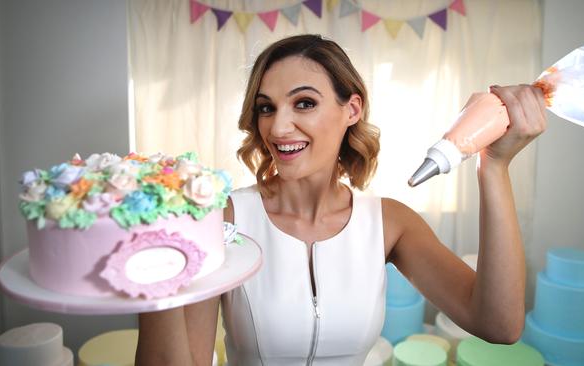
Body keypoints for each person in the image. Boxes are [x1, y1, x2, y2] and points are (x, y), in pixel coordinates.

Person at [136, 34, 546, 366]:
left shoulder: (391, 223)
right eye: (266, 107)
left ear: (351, 109)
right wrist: (160, 259)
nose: (278, 127)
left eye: (304, 103)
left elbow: (499, 325)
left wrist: (493, 167)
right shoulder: (222, 220)